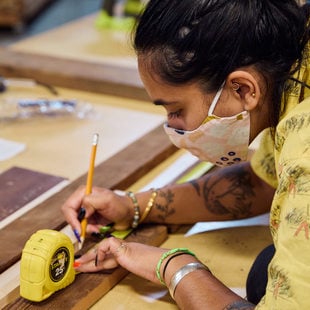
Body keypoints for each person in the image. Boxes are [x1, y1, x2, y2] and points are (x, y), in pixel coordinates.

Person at [62, 0, 310, 308]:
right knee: (264, 272)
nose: (172, 125)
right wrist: (132, 206)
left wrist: (174, 267)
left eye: (176, 110)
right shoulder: (295, 58)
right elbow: (264, 183)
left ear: (244, 90)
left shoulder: (305, 147)